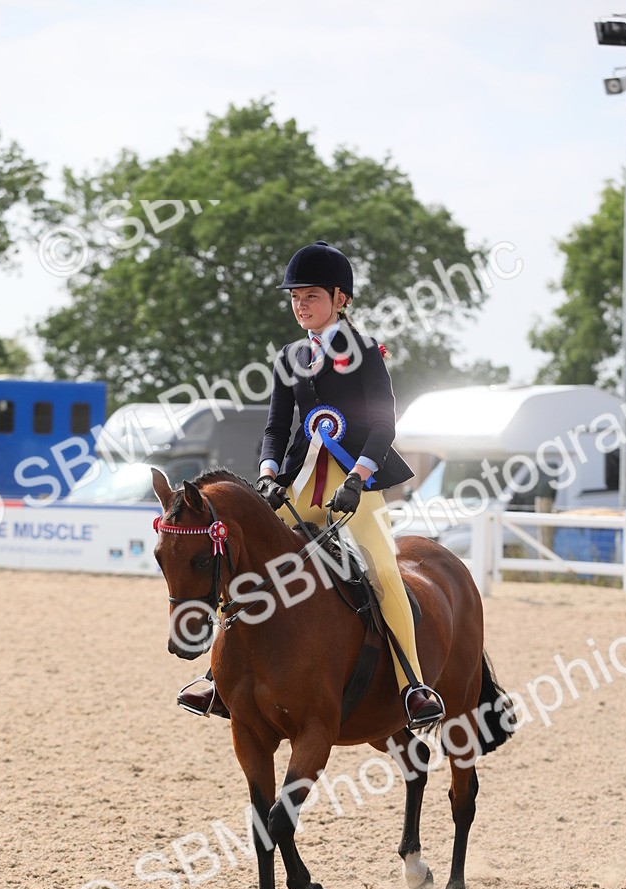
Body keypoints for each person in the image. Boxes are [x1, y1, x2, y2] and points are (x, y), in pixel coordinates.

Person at [178, 240, 445, 730]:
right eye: (295, 297)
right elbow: (276, 427)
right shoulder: (289, 356)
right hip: (298, 482)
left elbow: (383, 424)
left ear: (341, 299)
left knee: (384, 573)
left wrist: (359, 477)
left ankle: (413, 686)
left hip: (355, 484)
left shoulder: (365, 352)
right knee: (236, 553)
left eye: (311, 296)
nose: (301, 305)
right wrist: (266, 474)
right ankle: (217, 676)